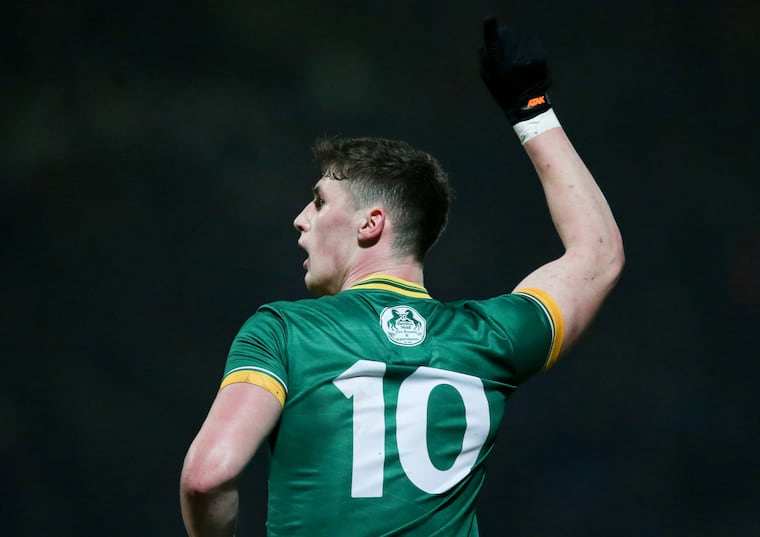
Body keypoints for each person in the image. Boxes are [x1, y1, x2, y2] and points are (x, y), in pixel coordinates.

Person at [180, 16, 624, 537]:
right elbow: (597, 256)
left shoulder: (283, 332)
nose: (301, 219)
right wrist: (530, 108)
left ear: (371, 224)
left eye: (319, 202)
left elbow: (208, 475)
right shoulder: (490, 337)